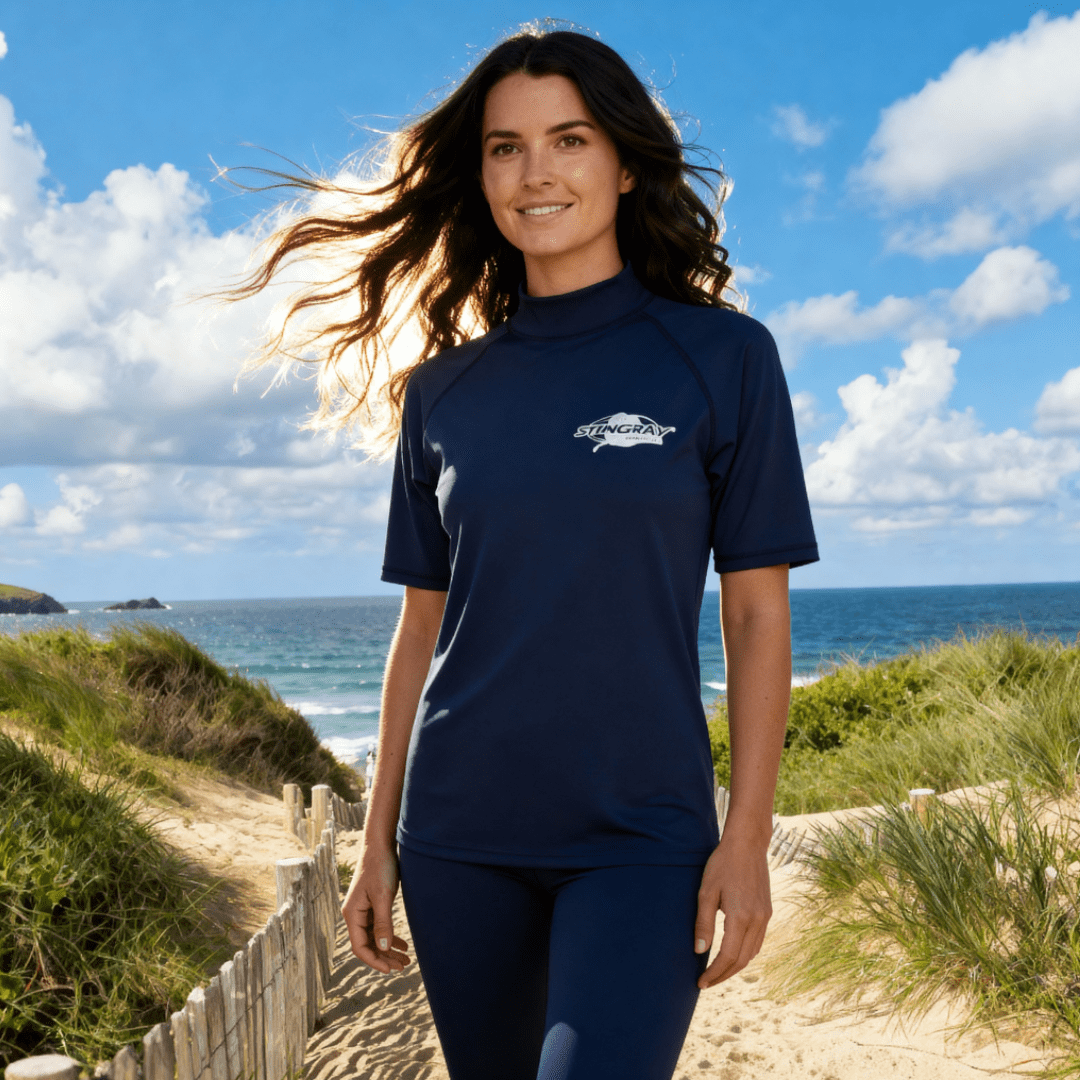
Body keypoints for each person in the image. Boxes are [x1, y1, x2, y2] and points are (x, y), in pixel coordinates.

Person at [227, 25, 817, 1080]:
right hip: (461, 839)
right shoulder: (442, 393)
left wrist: (748, 837)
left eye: (570, 140)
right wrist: (377, 840)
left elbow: (756, 614)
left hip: (642, 839)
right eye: (506, 147)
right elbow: (421, 631)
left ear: (627, 163)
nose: (535, 172)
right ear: (482, 172)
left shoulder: (723, 358)